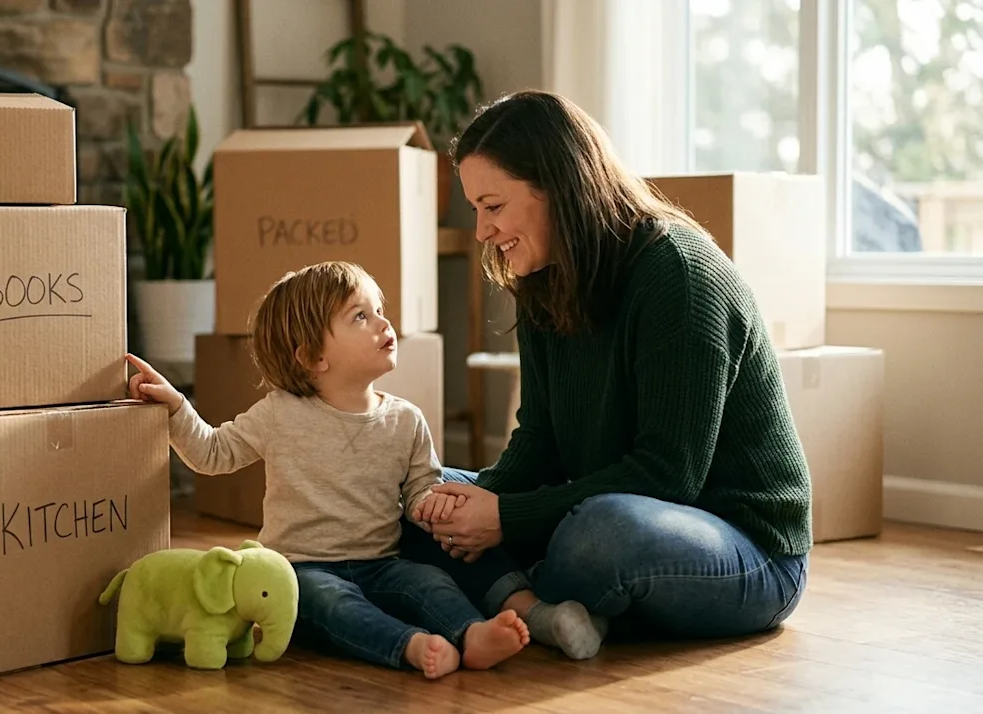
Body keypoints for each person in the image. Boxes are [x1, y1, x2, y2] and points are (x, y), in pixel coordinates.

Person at [402, 89, 813, 655]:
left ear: (557, 189)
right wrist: (473, 503)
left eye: (493, 206)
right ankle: (542, 610)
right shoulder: (544, 278)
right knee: (414, 493)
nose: (481, 232)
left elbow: (669, 476)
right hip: (587, 508)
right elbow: (540, 440)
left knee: (599, 533)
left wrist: (506, 518)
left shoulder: (681, 277)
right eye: (476, 210)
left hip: (744, 550)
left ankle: (487, 594)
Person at [125, 261, 534, 679]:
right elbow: (212, 452)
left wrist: (431, 506)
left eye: (379, 309)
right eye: (361, 316)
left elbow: (419, 491)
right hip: (303, 569)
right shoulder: (279, 413)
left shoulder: (406, 420)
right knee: (330, 603)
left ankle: (471, 634)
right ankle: (409, 646)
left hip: (381, 562)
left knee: (430, 581)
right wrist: (176, 406)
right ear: (312, 357)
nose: (382, 322)